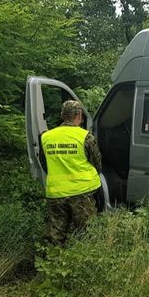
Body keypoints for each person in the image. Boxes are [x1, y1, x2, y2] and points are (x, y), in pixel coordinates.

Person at [39, 100, 102, 245]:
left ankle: (51, 261)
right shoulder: (86, 137)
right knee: (86, 232)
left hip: (56, 193)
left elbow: (44, 164)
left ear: (62, 115)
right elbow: (97, 163)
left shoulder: (46, 137)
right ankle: (83, 262)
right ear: (79, 115)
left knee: (55, 233)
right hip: (82, 192)